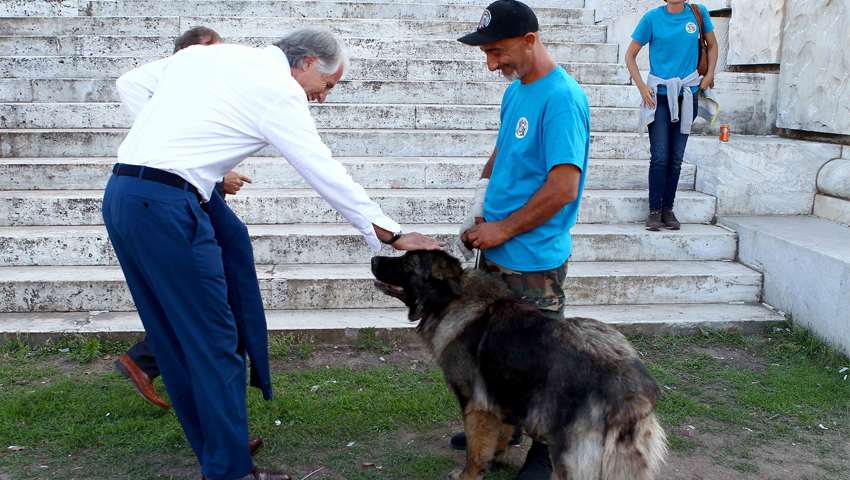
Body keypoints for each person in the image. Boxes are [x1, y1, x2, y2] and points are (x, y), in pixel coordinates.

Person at [105, 29, 443, 480]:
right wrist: (389, 231)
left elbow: (130, 84)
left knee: (171, 338)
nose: (322, 99)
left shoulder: (209, 56)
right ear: (305, 62)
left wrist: (175, 150)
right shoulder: (280, 90)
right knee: (215, 339)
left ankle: (220, 448)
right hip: (167, 208)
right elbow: (321, 168)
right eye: (327, 86)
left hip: (123, 192)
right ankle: (230, 471)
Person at [454, 1, 590, 479]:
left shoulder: (563, 98)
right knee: (492, 353)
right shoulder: (518, 90)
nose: (492, 64)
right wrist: (480, 201)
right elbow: (503, 151)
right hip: (494, 254)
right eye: (487, 54)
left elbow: (563, 187)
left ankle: (546, 449)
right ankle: (502, 428)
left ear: (530, 39)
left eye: (498, 52)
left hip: (533, 261)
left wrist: (503, 228)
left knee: (539, 363)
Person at [114, 26, 253, 414]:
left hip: (191, 195)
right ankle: (146, 360)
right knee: (208, 306)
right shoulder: (167, 92)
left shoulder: (201, 92)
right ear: (186, 56)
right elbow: (127, 84)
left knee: (211, 301)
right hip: (171, 198)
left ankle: (147, 361)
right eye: (212, 54)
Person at [625, 0, 718, 231]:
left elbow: (713, 45)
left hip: (688, 94)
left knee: (676, 157)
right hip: (659, 96)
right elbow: (630, 55)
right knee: (659, 155)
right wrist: (641, 86)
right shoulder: (652, 18)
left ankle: (668, 209)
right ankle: (654, 211)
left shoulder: (698, 13)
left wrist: (709, 75)